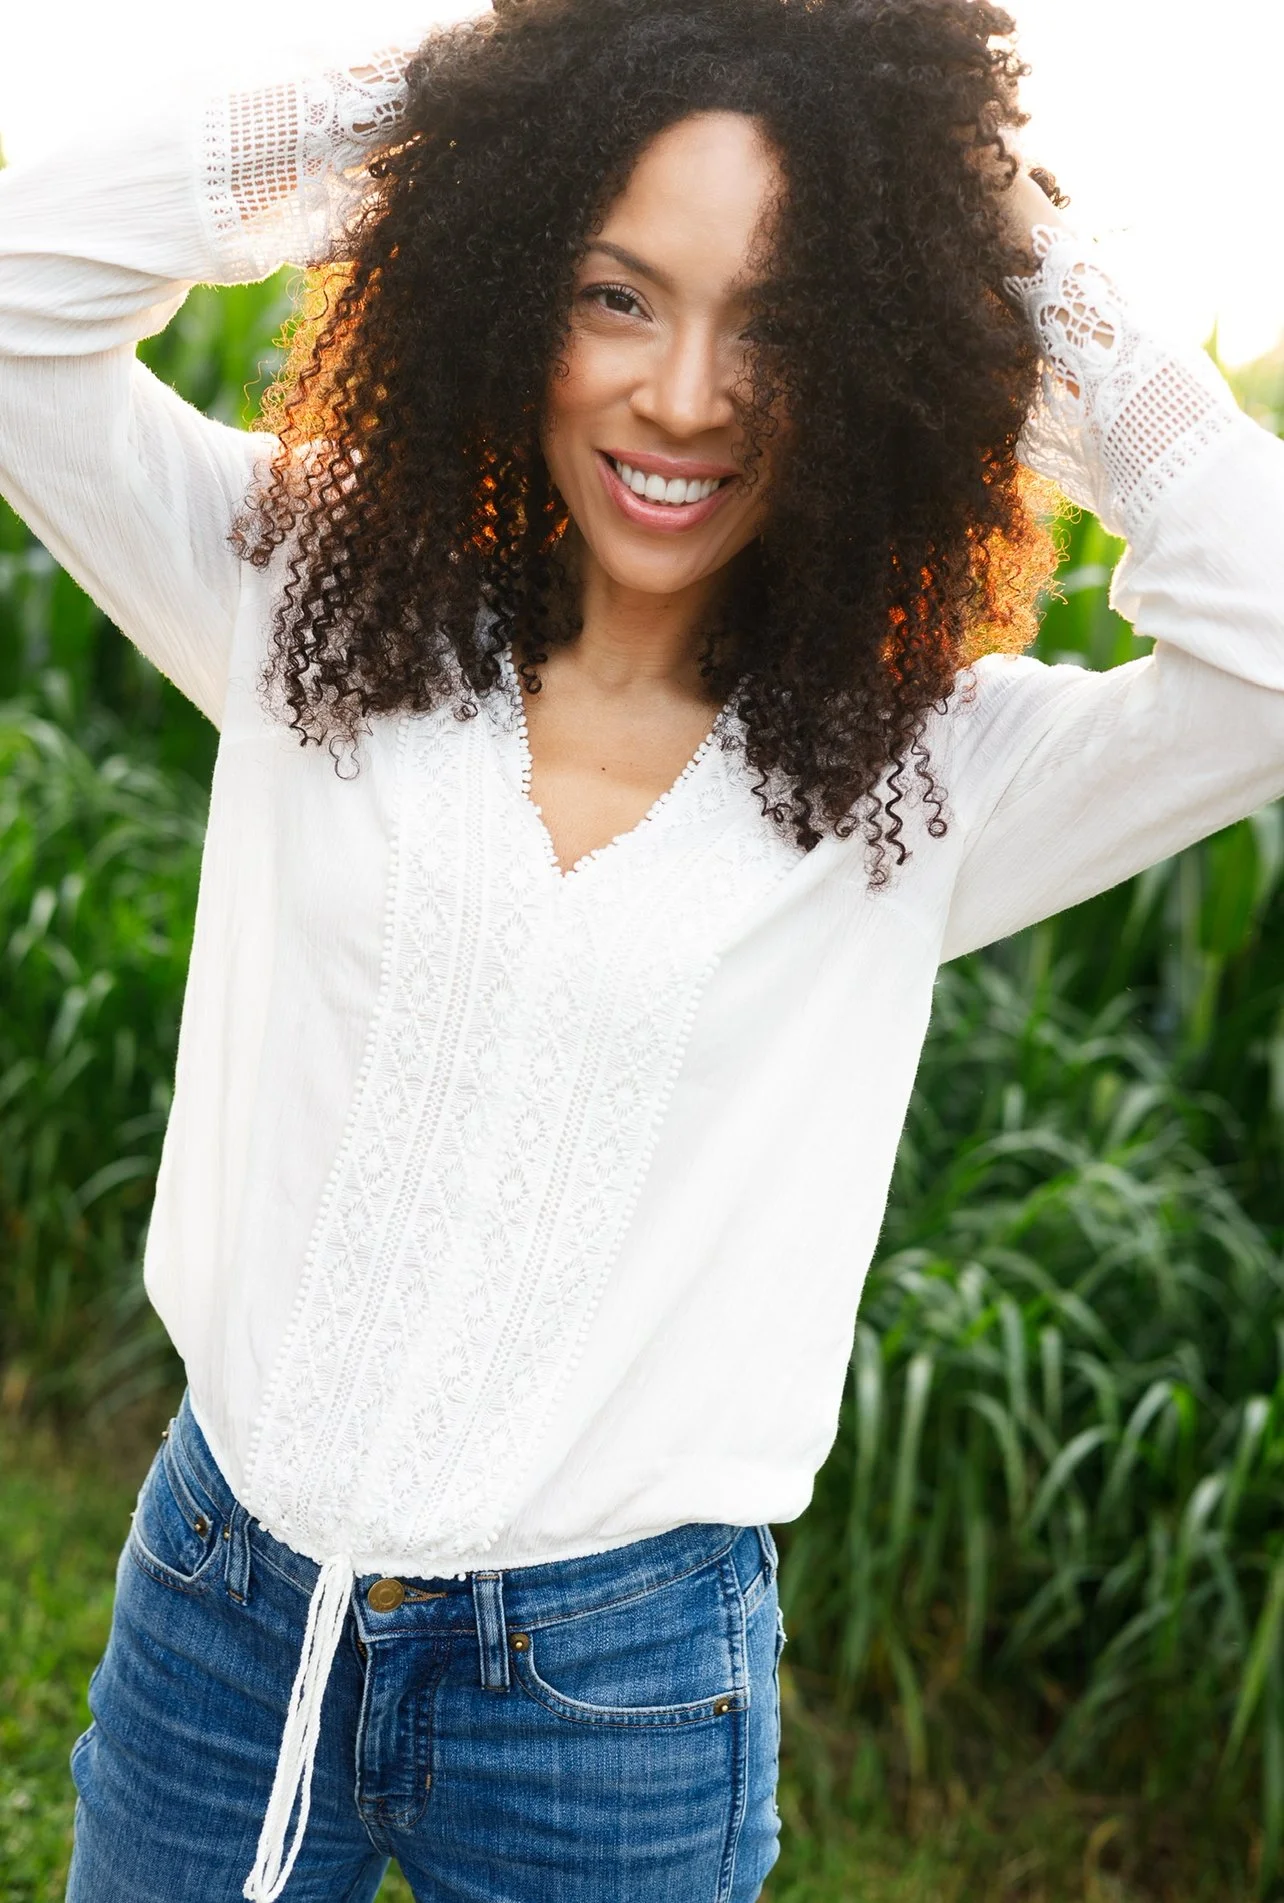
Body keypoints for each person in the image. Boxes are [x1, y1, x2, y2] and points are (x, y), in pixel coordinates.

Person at [1, 0, 1281, 1897]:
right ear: (514, 283)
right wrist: (465, 99)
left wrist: (998, 231)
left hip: (610, 1701)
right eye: (616, 293)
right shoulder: (302, 595)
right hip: (227, 1609)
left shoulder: (920, 775)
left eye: (775, 320)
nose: (684, 393)